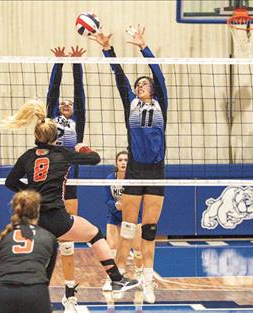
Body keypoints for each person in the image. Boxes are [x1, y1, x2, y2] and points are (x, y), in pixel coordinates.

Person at [2, 100, 139, 309]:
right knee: (94, 234)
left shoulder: (27, 156)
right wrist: (82, 147)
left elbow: (10, 182)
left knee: (40, 261)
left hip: (34, 220)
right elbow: (95, 159)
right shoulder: (62, 154)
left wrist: (31, 194)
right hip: (57, 218)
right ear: (55, 137)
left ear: (36, 136)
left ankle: (22, 295)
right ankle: (116, 278)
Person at [90, 24, 168, 303]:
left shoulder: (161, 104)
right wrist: (107, 49)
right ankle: (120, 275)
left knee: (149, 229)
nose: (140, 86)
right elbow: (119, 77)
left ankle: (147, 279)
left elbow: (157, 73)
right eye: (138, 85)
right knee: (127, 226)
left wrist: (143, 46)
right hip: (134, 169)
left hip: (156, 170)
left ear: (153, 89)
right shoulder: (131, 104)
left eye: (144, 83)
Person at [46, 45, 86, 312]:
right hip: (48, 184)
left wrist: (76, 64)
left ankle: (70, 291)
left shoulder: (77, 123)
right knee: (46, 242)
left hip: (70, 184)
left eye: (69, 103)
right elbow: (52, 95)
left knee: (68, 242)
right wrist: (58, 64)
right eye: (64, 103)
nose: (66, 104)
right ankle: (39, 288)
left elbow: (80, 96)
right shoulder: (50, 121)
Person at [0, 190, 57, 313]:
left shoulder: (1, 237)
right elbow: (47, 275)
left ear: (15, 209)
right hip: (36, 292)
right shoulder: (49, 237)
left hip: (2, 293)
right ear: (38, 210)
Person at [102, 150, 143, 291]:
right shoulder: (109, 179)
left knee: (138, 249)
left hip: (132, 215)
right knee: (111, 249)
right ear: (116, 163)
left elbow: (140, 200)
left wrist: (127, 205)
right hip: (114, 215)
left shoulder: (134, 179)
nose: (123, 162)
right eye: (120, 160)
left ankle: (140, 275)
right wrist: (115, 205)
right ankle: (111, 279)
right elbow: (107, 200)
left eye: (126, 160)